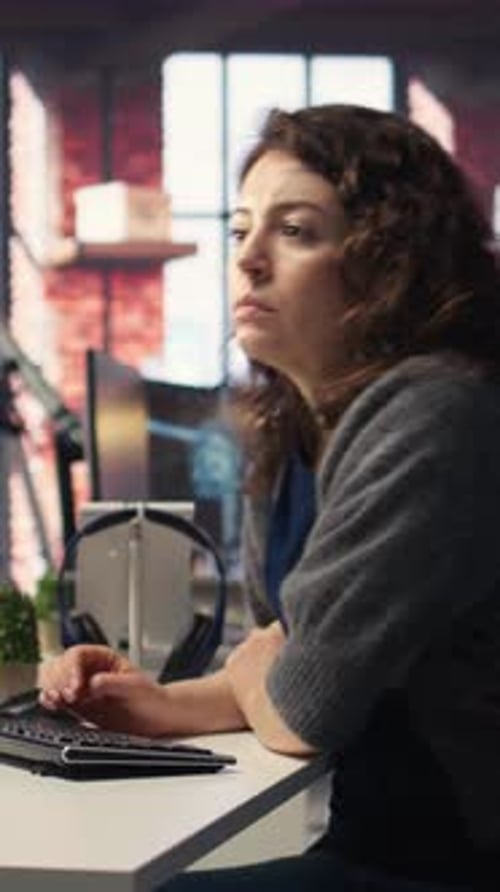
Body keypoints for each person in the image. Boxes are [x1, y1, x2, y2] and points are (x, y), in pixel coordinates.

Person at [39, 104, 500, 891]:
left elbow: (301, 706)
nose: (249, 260)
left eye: (295, 231)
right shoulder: (297, 432)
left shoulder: (438, 412)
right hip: (382, 842)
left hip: (451, 863)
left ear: (392, 258)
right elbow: (286, 662)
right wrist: (148, 704)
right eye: (241, 229)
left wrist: (272, 672)